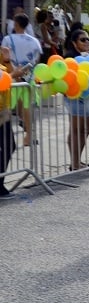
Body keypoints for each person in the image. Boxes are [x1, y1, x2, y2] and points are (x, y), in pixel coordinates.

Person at [1, 13, 42, 147]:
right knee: (27, 106)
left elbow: (3, 57)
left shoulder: (7, 39)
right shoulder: (34, 41)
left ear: (16, 24)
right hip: (28, 78)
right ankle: (29, 135)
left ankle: (9, 135)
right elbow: (37, 59)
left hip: (11, 78)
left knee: (7, 107)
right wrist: (26, 71)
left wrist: (15, 72)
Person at [63, 29, 89, 171]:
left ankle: (77, 160)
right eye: (83, 39)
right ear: (74, 43)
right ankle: (74, 162)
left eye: (88, 39)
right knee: (76, 130)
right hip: (75, 97)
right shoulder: (70, 58)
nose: (87, 42)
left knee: (86, 129)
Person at [0, 59, 29, 199]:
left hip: (3, 112)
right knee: (8, 145)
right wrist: (13, 74)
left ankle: (0, 184)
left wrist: (8, 63)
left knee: (8, 145)